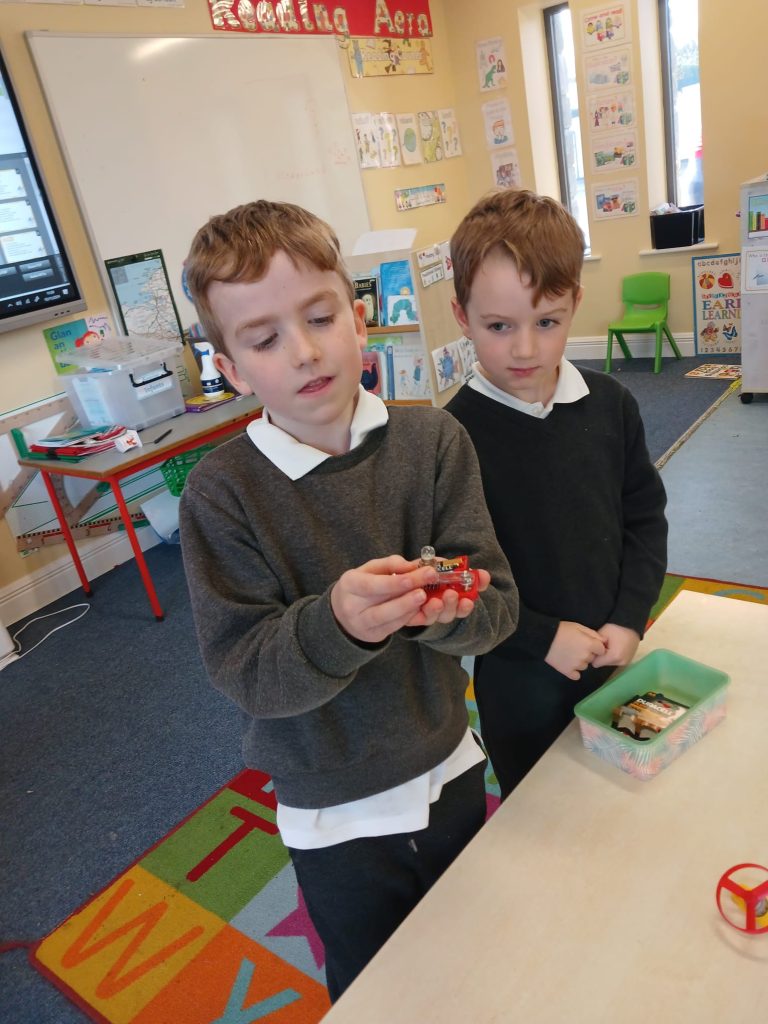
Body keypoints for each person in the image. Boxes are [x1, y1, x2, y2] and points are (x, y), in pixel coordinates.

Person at [179, 200, 519, 1001]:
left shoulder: (433, 442)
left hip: (447, 764)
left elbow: (497, 608)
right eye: (264, 339)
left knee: (477, 958)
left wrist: (446, 613)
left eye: (320, 317)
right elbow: (245, 670)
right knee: (375, 990)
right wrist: (336, 625)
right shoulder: (222, 494)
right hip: (333, 812)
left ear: (358, 319)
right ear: (231, 369)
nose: (304, 351)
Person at [446, 188, 667, 799]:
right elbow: (455, 577)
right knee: (541, 813)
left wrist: (629, 618)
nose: (525, 348)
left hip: (615, 659)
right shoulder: (448, 439)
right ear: (462, 315)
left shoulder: (612, 404)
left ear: (575, 304)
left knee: (626, 796)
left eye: (547, 322)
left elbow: (644, 520)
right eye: (498, 326)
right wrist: (541, 638)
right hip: (520, 681)